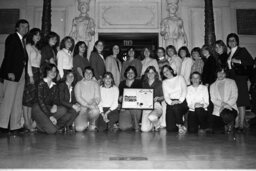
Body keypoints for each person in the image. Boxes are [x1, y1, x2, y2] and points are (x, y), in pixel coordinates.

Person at [0, 19, 29, 134]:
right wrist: (9, 72)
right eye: (22, 26)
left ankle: (15, 126)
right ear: (17, 27)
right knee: (8, 100)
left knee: (17, 100)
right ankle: (2, 126)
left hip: (21, 73)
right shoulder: (12, 38)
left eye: (27, 27)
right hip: (12, 73)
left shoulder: (22, 40)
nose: (25, 29)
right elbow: (8, 56)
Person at [32, 64, 75, 134]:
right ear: (46, 71)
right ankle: (39, 125)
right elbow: (41, 102)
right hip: (38, 108)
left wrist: (55, 105)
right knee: (53, 130)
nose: (53, 73)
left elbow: (55, 99)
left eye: (55, 71)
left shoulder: (54, 85)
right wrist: (50, 116)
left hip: (48, 108)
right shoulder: (40, 83)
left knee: (63, 109)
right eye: (51, 70)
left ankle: (41, 122)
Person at [226, 33, 254, 133]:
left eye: (233, 40)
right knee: (236, 101)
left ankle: (241, 125)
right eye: (229, 40)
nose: (231, 42)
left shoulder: (242, 50)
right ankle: (240, 122)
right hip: (233, 79)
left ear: (237, 41)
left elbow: (251, 62)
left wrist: (239, 61)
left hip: (241, 78)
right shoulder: (229, 53)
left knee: (241, 101)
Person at [22, 28, 42, 131]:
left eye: (39, 35)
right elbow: (28, 62)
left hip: (37, 72)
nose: (38, 36)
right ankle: (26, 122)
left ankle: (29, 121)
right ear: (31, 36)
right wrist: (30, 76)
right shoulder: (28, 46)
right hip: (31, 72)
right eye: (35, 34)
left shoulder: (37, 47)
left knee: (32, 99)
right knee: (27, 99)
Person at [209, 67, 238, 133]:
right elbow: (213, 99)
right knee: (217, 131)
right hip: (218, 109)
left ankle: (230, 123)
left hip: (230, 107)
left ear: (226, 74)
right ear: (216, 73)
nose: (221, 75)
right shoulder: (212, 85)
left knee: (226, 114)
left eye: (223, 73)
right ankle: (225, 124)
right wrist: (222, 104)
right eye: (219, 72)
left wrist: (226, 105)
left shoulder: (232, 82)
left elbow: (234, 96)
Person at [161, 65, 188, 133]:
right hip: (171, 103)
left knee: (176, 107)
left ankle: (180, 125)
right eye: (164, 72)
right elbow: (166, 96)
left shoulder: (180, 77)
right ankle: (179, 121)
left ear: (171, 70)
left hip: (181, 102)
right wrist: (170, 102)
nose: (166, 72)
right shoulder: (164, 82)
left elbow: (184, 90)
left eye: (167, 70)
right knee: (170, 129)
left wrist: (179, 101)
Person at [74, 66, 101, 132]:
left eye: (90, 73)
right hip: (82, 109)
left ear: (92, 74)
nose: (88, 74)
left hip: (92, 107)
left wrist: (94, 103)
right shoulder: (78, 84)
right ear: (83, 73)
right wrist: (87, 105)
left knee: (96, 110)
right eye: (86, 72)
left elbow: (98, 97)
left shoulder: (95, 84)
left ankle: (91, 124)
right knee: (79, 129)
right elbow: (78, 98)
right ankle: (84, 122)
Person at [119, 66, 142, 131]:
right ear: (126, 73)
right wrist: (120, 100)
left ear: (135, 74)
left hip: (135, 107)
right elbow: (120, 97)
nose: (130, 74)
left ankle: (136, 125)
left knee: (134, 110)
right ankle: (132, 123)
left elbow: (140, 96)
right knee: (122, 127)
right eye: (128, 72)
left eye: (132, 72)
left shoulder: (139, 82)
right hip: (125, 108)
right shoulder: (122, 83)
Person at [141, 66, 164, 132]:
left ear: (155, 74)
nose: (150, 74)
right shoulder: (144, 83)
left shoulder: (160, 83)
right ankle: (152, 124)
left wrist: (159, 98)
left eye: (152, 72)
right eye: (148, 72)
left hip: (156, 105)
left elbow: (164, 97)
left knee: (152, 117)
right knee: (144, 129)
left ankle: (157, 124)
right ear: (146, 74)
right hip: (146, 106)